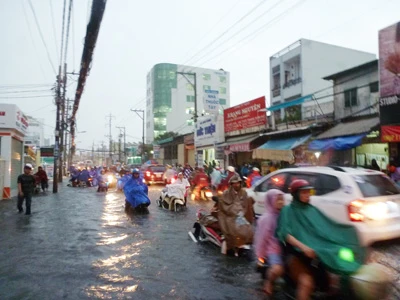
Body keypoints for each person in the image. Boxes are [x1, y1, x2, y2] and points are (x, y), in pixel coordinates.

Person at [276, 179, 366, 300]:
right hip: (296, 255)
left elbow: (326, 227)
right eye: (303, 193)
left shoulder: (312, 209)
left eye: (309, 192)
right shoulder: (288, 210)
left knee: (334, 282)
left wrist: (346, 232)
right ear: (296, 194)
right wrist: (304, 247)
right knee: (306, 284)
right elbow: (285, 234)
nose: (307, 195)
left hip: (316, 253)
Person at [254, 189, 285, 295]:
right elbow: (262, 239)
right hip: (273, 249)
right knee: (278, 269)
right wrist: (260, 256)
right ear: (271, 201)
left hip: (286, 247)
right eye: (277, 200)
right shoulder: (266, 219)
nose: (281, 202)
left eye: (282, 199)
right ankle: (269, 282)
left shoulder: (284, 215)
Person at [218, 175, 254, 255]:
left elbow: (246, 204)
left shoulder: (244, 193)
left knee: (248, 229)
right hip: (228, 216)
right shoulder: (226, 193)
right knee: (230, 230)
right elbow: (224, 207)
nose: (236, 185)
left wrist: (245, 210)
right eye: (234, 183)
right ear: (231, 184)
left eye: (238, 183)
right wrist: (234, 210)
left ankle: (244, 243)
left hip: (240, 216)